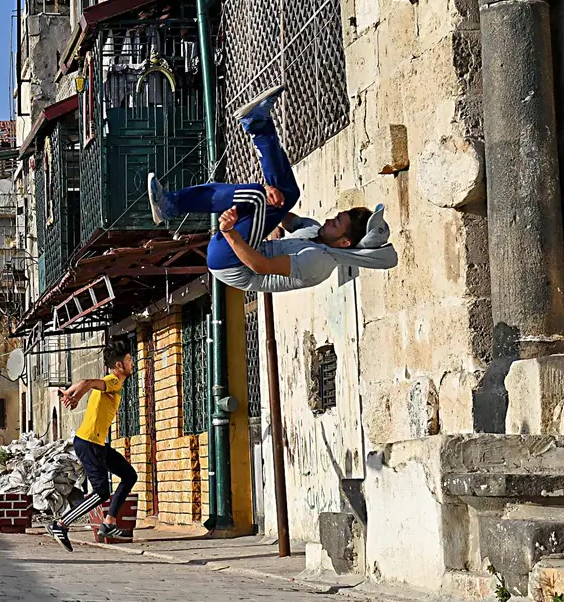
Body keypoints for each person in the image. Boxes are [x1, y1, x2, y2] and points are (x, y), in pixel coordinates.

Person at [147, 85, 397, 293]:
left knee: (257, 195)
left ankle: (171, 206)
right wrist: (274, 202)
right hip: (242, 246)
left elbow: (260, 266)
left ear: (344, 243)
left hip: (233, 264)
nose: (330, 218)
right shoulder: (313, 230)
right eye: (336, 216)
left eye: (336, 223)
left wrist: (231, 231)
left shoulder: (319, 262)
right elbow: (286, 215)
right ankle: (258, 124)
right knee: (288, 194)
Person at [45, 339, 139, 551]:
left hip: (96, 444)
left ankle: (109, 523)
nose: (132, 363)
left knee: (129, 476)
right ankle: (60, 524)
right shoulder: (113, 381)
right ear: (118, 366)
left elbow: (85, 382)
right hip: (89, 444)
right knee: (101, 492)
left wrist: (72, 395)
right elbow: (87, 382)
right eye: (129, 360)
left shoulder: (110, 381)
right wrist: (75, 395)